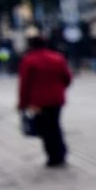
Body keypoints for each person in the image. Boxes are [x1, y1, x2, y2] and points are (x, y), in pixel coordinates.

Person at [17, 34, 73, 167]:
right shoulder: (57, 58)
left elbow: (25, 84)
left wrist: (22, 103)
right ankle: (61, 153)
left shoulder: (29, 61)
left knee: (45, 129)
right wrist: (60, 89)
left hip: (38, 102)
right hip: (57, 99)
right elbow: (67, 77)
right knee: (55, 125)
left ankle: (53, 156)